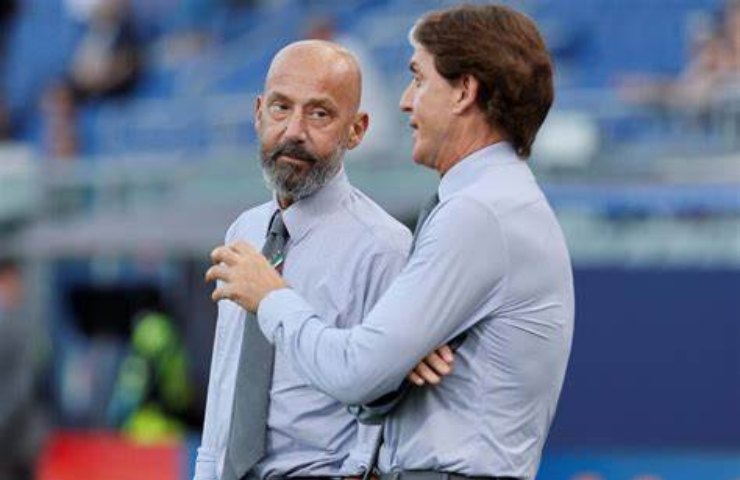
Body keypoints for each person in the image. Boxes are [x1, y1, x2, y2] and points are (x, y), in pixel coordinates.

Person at [206, 5, 574, 480]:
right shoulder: (486, 204)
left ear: (464, 91)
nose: (405, 101)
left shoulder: (474, 214)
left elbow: (357, 372)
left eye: (418, 79)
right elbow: (367, 374)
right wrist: (395, 358)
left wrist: (272, 297)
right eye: (281, 106)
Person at [195, 40, 455, 480]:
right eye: (281, 108)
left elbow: (386, 412)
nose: (294, 130)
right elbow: (225, 383)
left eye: (319, 114)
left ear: (357, 130)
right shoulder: (245, 231)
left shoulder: (385, 247)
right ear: (258, 114)